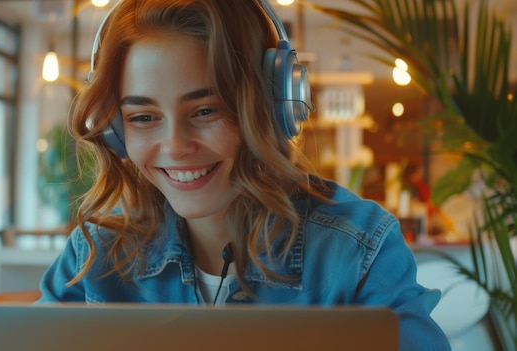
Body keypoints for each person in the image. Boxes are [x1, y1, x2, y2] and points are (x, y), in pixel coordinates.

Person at [39, 0, 450, 349]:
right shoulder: (93, 258)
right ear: (114, 129)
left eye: (205, 110)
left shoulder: (359, 252)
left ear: (272, 107)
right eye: (143, 117)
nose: (176, 145)